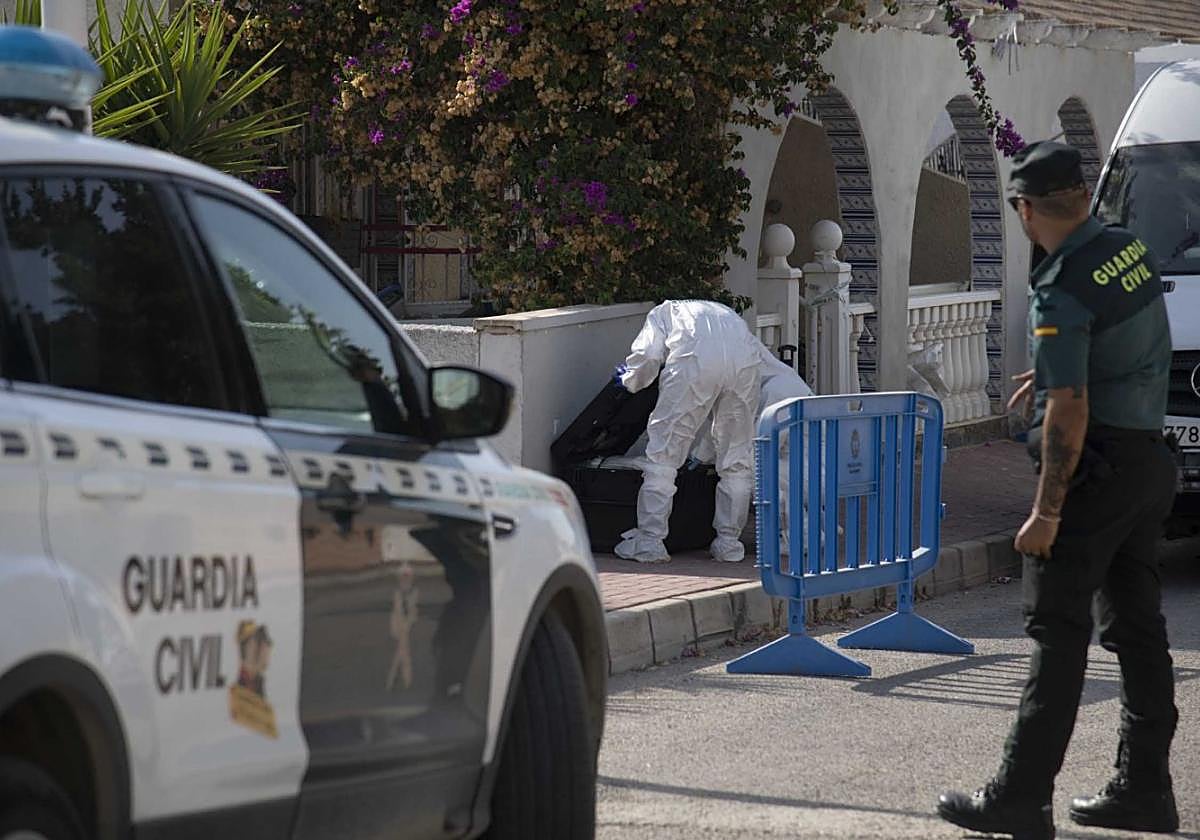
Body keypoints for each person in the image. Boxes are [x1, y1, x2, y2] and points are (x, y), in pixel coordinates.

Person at [937, 142, 1179, 839]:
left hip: (1092, 475)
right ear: (1082, 193)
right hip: (1144, 463)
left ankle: (1019, 797)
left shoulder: (1064, 281)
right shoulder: (1127, 248)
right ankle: (1144, 792)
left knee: (1057, 631)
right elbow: (1123, 348)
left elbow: (1070, 405)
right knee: (1138, 633)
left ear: (1024, 208)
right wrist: (1054, 377)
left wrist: (1046, 509)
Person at [614, 300, 761, 564]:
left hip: (694, 362)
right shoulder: (726, 313)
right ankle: (729, 544)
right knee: (737, 457)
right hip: (744, 365)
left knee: (665, 453)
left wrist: (630, 380)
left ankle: (650, 541)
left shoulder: (664, 312)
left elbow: (647, 356)